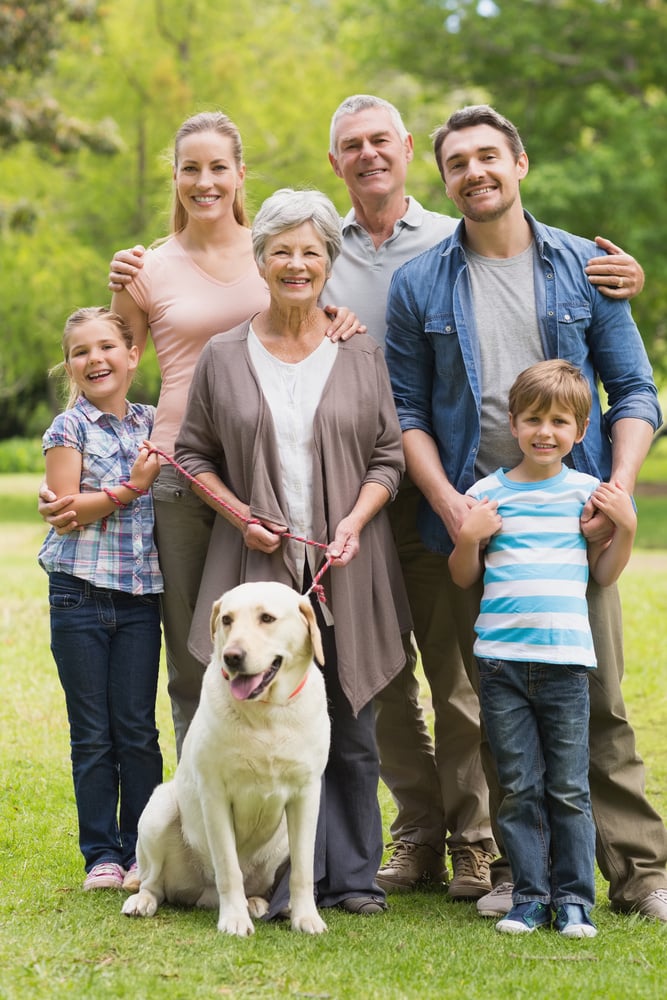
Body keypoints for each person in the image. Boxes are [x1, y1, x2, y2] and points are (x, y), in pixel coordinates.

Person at [95, 96, 644, 899]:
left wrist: (616, 485)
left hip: (500, 501)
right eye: (350, 146)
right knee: (376, 688)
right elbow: (173, 343)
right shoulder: (325, 244)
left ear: (410, 149)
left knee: (502, 679)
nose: (368, 156)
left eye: (381, 141)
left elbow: (621, 383)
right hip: (392, 496)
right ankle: (410, 835)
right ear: (333, 165)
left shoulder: (467, 244)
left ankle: (499, 846)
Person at [324, 94, 646, 901]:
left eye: (486, 158)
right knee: (499, 694)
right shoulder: (421, 282)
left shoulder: (582, 266)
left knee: (596, 695)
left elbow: (635, 391)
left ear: (518, 162)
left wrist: (615, 494)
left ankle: (642, 871)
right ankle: (520, 869)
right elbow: (408, 411)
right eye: (458, 163)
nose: (474, 172)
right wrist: (452, 505)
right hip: (479, 517)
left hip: (574, 519)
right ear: (444, 178)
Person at [38, 111, 357, 758]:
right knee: (195, 653)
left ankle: (280, 806)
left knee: (280, 642)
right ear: (176, 177)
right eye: (190, 168)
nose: (204, 181)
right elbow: (112, 370)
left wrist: (340, 316)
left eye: (218, 167)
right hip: (182, 480)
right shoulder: (144, 268)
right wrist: (80, 459)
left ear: (240, 175)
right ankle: (202, 818)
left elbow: (311, 316)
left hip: (271, 472)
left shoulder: (276, 249)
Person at [174, 187, 412, 916]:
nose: (296, 264)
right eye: (281, 251)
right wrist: (242, 515)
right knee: (254, 721)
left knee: (351, 720)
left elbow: (387, 456)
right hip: (257, 572)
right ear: (262, 260)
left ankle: (350, 881)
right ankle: (268, 882)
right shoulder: (222, 356)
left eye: (311, 251)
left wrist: (355, 522)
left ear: (327, 263)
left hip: (348, 561)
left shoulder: (357, 348)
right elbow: (192, 453)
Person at [449, 360, 637, 937]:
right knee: (519, 786)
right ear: (513, 423)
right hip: (501, 663)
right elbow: (462, 577)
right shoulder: (486, 495)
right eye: (533, 419)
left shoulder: (589, 494)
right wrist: (469, 537)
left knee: (569, 787)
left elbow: (603, 575)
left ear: (580, 431)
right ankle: (530, 897)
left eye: (559, 421)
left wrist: (624, 528)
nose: (545, 432)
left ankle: (575, 900)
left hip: (566, 667)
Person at [38, 306, 164, 892]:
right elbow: (65, 513)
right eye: (80, 352)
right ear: (69, 366)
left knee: (137, 730)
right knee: (92, 733)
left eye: (107, 346)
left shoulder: (154, 422)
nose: (96, 359)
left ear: (133, 354)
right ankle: (101, 856)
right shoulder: (68, 430)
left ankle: (141, 850)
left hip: (140, 599)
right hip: (79, 596)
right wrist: (131, 487)